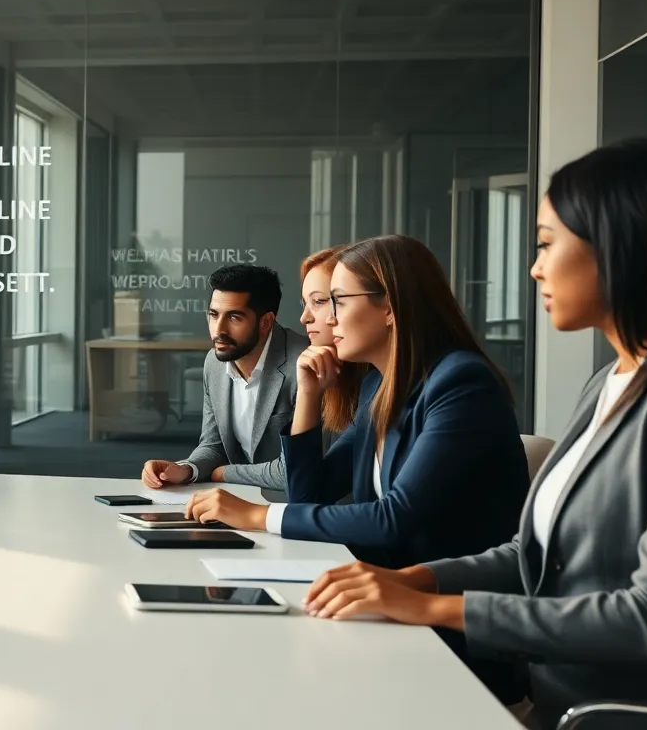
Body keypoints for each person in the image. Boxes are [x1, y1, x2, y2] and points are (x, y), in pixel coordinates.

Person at [302, 139, 647, 726]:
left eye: (545, 244)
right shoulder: (607, 382)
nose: (535, 267)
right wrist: (411, 579)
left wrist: (434, 606)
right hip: (557, 697)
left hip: (611, 713)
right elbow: (534, 557)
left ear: (619, 243)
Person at [186, 235, 530, 704]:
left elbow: (394, 518)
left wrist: (256, 516)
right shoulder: (379, 385)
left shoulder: (460, 383)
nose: (325, 318)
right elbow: (311, 496)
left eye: (337, 302)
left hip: (449, 635)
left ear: (389, 306)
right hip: (384, 606)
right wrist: (308, 395)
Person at [142, 264, 308, 498]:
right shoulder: (215, 362)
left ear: (266, 322)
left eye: (234, 317)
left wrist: (223, 474)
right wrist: (186, 470)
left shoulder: (304, 364)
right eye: (213, 315)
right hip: (242, 501)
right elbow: (214, 445)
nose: (218, 329)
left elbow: (294, 469)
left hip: (300, 507)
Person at [296, 246, 367, 443]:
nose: (304, 318)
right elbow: (306, 472)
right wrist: (308, 394)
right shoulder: (323, 372)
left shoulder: (375, 383)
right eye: (305, 303)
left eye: (318, 301)